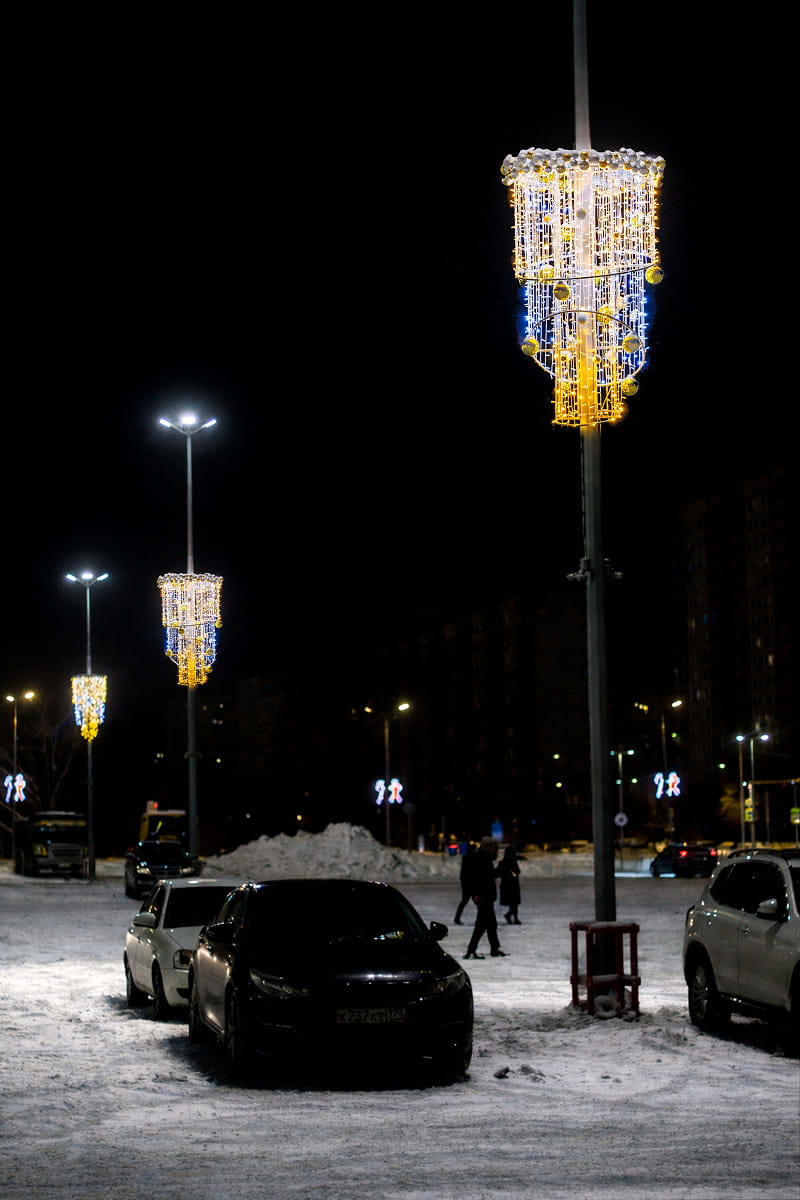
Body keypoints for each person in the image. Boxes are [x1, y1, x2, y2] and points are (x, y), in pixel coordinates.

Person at [464, 836, 507, 959]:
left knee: (490, 924)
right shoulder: (482, 859)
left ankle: (494, 948)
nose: (494, 850)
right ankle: (472, 950)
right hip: (484, 896)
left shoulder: (481, 857)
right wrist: (500, 870)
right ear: (488, 848)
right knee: (482, 925)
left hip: (484, 896)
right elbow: (486, 877)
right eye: (493, 848)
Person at [454, 842, 478, 924]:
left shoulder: (466, 857)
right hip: (472, 884)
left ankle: (457, 918)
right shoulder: (474, 858)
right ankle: (481, 918)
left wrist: (463, 883)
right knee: (477, 902)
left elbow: (463, 873)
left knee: (464, 901)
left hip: (467, 884)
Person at [498, 844, 522, 924]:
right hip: (512, 885)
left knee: (513, 903)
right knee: (514, 903)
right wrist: (513, 874)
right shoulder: (512, 862)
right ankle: (512, 917)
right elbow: (515, 872)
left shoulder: (502, 862)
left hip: (506, 885)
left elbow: (499, 873)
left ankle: (513, 917)